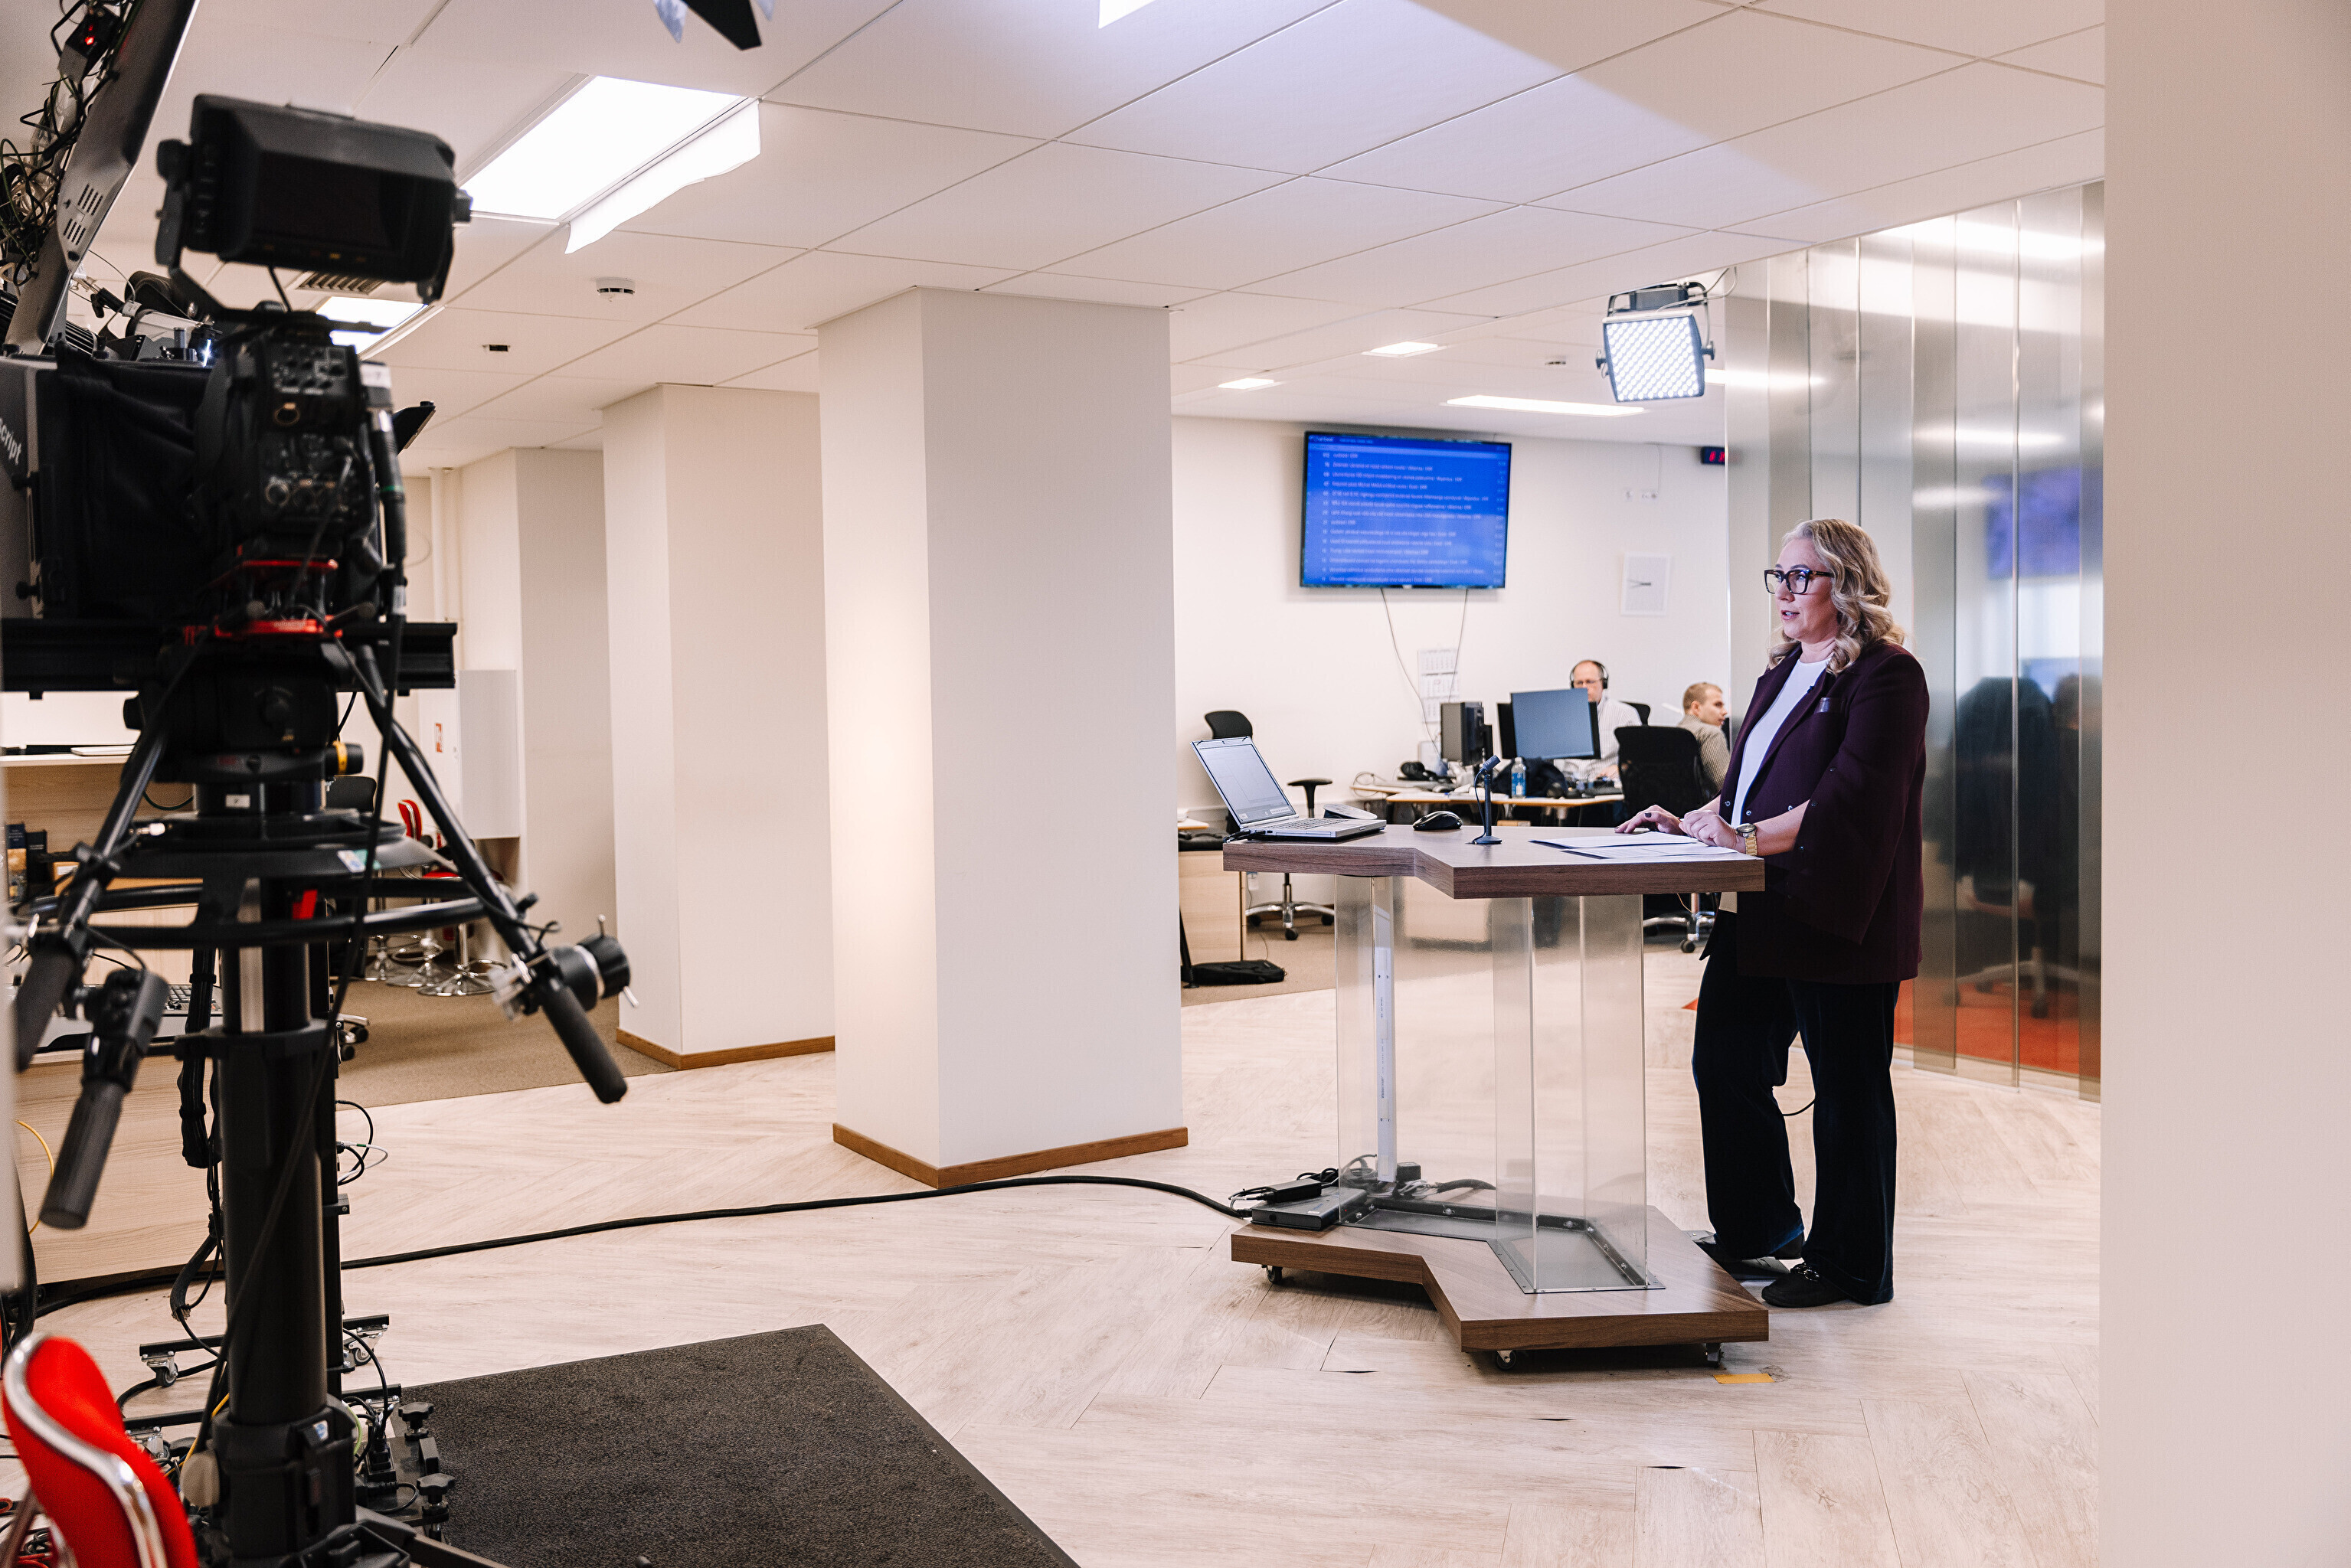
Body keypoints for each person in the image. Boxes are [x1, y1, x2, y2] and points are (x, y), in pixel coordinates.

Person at [1616, 519, 1926, 1309]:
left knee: (1848, 1089)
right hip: (1760, 905)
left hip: (1838, 908)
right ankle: (1759, 1229)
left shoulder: (1887, 675)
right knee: (1724, 1060)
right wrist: (1694, 821)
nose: (1784, 592)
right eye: (1778, 576)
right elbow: (1746, 786)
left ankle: (1852, 1265)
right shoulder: (1782, 669)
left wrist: (1744, 836)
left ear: (1846, 585)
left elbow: (1854, 799)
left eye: (1801, 577)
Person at [1568, 659, 1644, 782]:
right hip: (1567, 784)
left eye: (1590, 682)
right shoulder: (1562, 714)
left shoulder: (1625, 713)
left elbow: (1639, 758)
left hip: (1604, 784)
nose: (1584, 687)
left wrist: (1620, 768)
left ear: (1603, 684)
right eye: (1579, 683)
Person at [1676, 681, 1732, 795]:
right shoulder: (1710, 733)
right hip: (1704, 805)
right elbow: (1725, 786)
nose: (1725, 711)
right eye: (1718, 705)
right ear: (1696, 707)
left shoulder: (1674, 733)